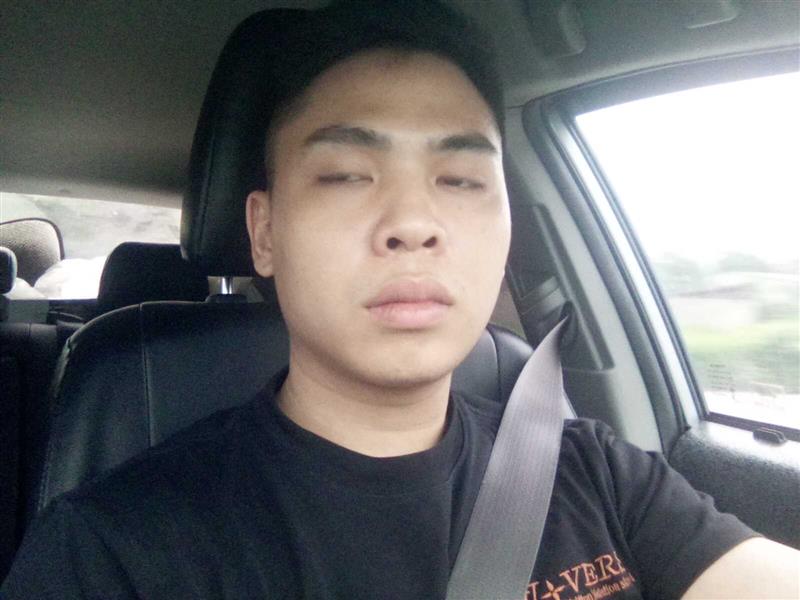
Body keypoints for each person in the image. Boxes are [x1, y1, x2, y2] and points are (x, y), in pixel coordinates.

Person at [2, 1, 798, 598]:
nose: (414, 223)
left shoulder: (598, 472)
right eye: (346, 175)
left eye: (461, 179)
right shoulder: (113, 552)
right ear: (265, 231)